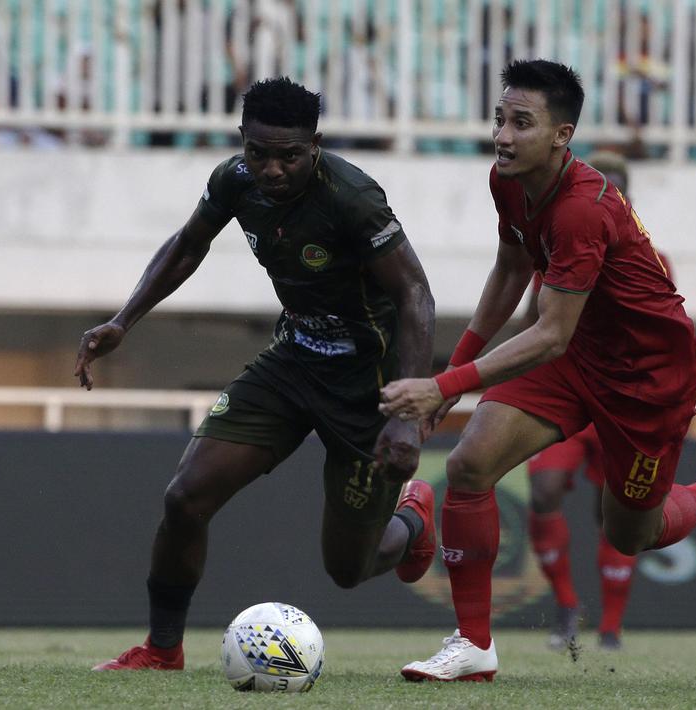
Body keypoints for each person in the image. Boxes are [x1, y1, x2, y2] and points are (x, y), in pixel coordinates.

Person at [379, 60, 696, 682]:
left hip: (647, 378)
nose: (503, 136)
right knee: (469, 464)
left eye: (522, 123)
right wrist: (459, 367)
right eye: (500, 120)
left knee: (633, 533)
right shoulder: (508, 179)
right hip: (579, 358)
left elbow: (550, 333)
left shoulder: (582, 210)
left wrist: (443, 386)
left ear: (561, 135)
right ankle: (473, 645)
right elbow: (512, 270)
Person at [74, 77, 438, 671]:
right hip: (291, 362)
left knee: (347, 569)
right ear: (242, 141)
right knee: (185, 498)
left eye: (288, 155)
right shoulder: (233, 180)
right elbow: (188, 245)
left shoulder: (352, 198)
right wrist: (124, 321)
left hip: (366, 387)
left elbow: (416, 295)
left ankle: (412, 520)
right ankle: (163, 650)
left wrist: (407, 413)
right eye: (259, 152)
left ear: (314, 145)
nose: (272, 170)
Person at [525, 151, 672, 653]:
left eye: (615, 187)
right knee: (543, 490)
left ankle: (610, 627)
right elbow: (534, 322)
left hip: (620, 399)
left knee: (616, 512)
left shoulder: (651, 258)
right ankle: (568, 607)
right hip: (566, 391)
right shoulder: (557, 247)